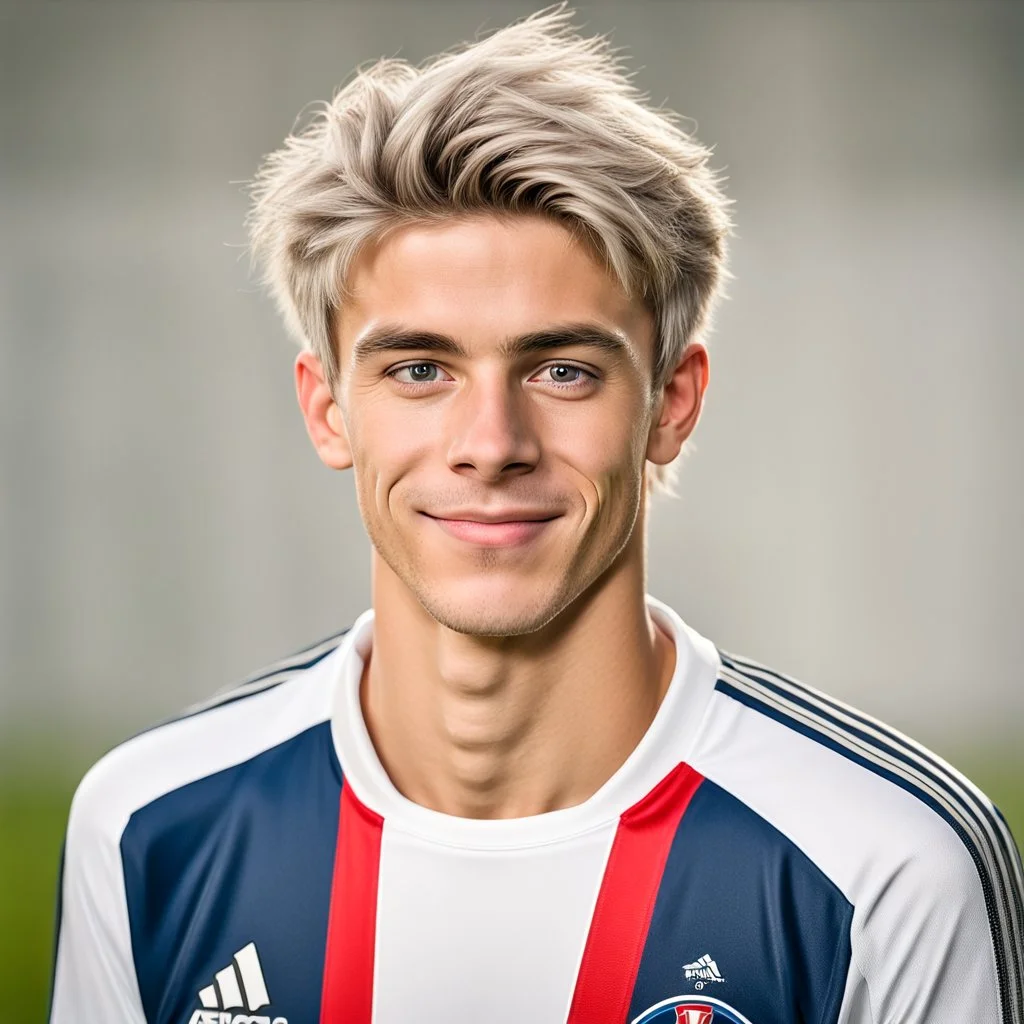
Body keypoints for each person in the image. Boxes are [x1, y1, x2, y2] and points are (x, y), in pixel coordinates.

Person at [49, 8, 1023, 1024]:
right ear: (327, 406)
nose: (490, 440)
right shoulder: (149, 825)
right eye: (419, 368)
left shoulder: (888, 862)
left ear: (670, 403)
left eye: (561, 368)